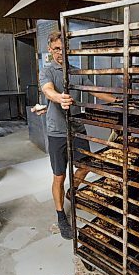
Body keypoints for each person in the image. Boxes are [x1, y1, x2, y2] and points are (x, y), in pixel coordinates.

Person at [35, 31, 116, 240]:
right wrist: (59, 98)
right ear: (50, 50)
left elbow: (95, 90)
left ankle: (73, 191)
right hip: (57, 132)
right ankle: (61, 216)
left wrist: (118, 102)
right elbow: (48, 91)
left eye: (64, 48)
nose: (60, 53)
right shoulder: (47, 71)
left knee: (86, 165)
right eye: (56, 49)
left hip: (77, 129)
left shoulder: (76, 72)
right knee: (59, 176)